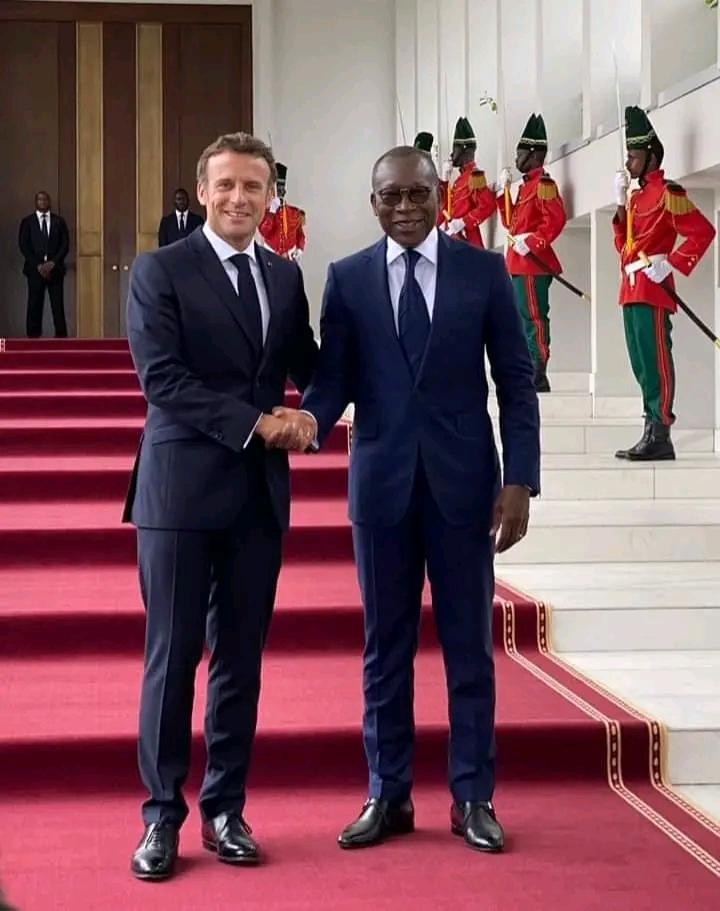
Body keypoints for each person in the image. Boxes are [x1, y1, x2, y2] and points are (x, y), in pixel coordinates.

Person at [280, 145, 540, 852]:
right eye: (390, 196)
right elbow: (334, 378)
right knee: (384, 650)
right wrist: (308, 421)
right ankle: (388, 793)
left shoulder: (483, 272)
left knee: (468, 651)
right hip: (382, 489)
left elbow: (516, 381)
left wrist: (521, 480)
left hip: (466, 490)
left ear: (439, 196)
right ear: (373, 203)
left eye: (416, 194)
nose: (403, 208)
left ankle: (472, 796)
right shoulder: (348, 279)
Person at [123, 132, 318, 881]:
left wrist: (331, 403)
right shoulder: (161, 269)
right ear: (203, 191)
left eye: (254, 186)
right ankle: (160, 817)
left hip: (256, 498)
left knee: (240, 660)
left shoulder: (284, 276)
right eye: (227, 185)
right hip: (179, 493)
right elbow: (162, 379)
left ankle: (226, 809)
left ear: (271, 196)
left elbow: (308, 363)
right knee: (172, 658)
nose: (240, 198)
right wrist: (260, 424)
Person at [612, 106, 716, 461]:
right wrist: (619, 204)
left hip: (653, 286)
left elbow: (703, 232)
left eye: (633, 156)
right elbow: (623, 246)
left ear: (650, 157)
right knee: (640, 363)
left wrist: (670, 262)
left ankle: (661, 432)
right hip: (630, 287)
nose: (628, 162)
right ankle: (649, 427)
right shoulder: (635, 197)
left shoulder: (669, 193)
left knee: (656, 360)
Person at [496, 114, 567, 392]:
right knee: (520, 319)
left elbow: (556, 219)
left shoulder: (544, 185)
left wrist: (535, 241)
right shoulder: (526, 186)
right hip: (517, 262)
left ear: (535, 155)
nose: (517, 159)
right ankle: (527, 367)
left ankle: (538, 372)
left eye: (520, 153)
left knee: (534, 318)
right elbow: (510, 222)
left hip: (532, 263)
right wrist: (504, 191)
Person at [18, 191, 70, 338]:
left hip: (55, 270)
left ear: (49, 201)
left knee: (57, 305)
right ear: (36, 202)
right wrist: (38, 265)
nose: (43, 202)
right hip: (35, 271)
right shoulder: (27, 222)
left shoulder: (59, 222)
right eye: (40, 199)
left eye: (45, 199)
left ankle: (61, 338)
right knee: (34, 304)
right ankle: (33, 337)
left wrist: (53, 263)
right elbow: (24, 245)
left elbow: (65, 245)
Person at [438, 117, 495, 247]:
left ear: (464, 151)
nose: (452, 155)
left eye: (455, 150)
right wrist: (445, 179)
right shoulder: (459, 180)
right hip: (452, 239)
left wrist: (464, 222)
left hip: (467, 239)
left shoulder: (475, 176)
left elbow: (488, 205)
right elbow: (444, 207)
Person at [257, 163, 306, 263]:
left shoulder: (294, 213)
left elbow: (300, 235)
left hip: (289, 259)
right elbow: (264, 232)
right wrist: (272, 211)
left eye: (281, 190)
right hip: (269, 258)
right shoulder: (265, 213)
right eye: (277, 191)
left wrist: (299, 249)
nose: (279, 194)